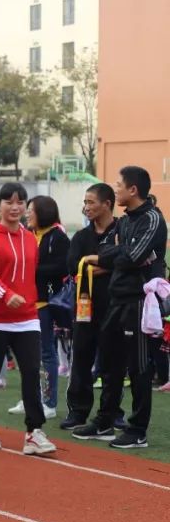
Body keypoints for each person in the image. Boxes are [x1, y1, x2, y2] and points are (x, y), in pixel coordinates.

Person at [78, 166, 167, 448]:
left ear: (133, 190)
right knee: (109, 363)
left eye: (119, 185)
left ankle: (137, 429)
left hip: (139, 301)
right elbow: (120, 252)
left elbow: (132, 256)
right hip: (118, 297)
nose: (115, 189)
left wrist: (109, 255)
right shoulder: (126, 221)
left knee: (138, 367)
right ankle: (105, 420)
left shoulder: (152, 218)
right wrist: (115, 253)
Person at [0, 183, 56, 456]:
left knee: (32, 371)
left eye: (21, 202)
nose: (15, 207)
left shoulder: (30, 237)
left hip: (27, 317)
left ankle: (34, 431)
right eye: (9, 202)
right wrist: (5, 294)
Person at [64, 184, 122, 433]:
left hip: (116, 306)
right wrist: (103, 265)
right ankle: (78, 412)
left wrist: (99, 265)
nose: (86, 207)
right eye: (85, 202)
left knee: (113, 363)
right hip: (84, 308)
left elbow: (126, 259)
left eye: (91, 202)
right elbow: (73, 267)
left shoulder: (122, 230)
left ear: (107, 203)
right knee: (81, 359)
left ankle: (112, 413)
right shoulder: (81, 237)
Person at [12, 196, 69, 419]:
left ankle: (49, 402)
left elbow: (62, 266)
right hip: (22, 303)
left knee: (47, 353)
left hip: (43, 303)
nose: (27, 214)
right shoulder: (26, 234)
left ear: (43, 212)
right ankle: (30, 398)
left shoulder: (57, 236)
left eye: (31, 210)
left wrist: (31, 270)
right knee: (27, 355)